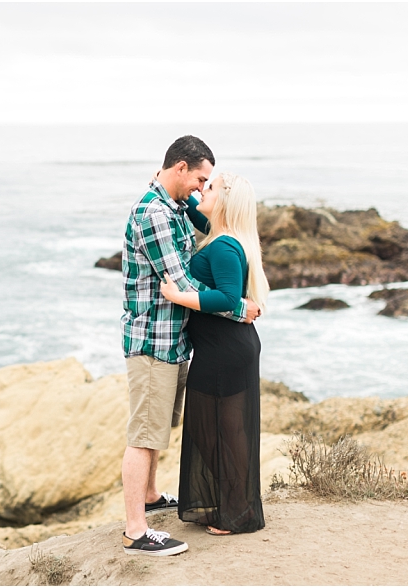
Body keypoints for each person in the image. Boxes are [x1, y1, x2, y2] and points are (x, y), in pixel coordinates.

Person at [120, 136, 260, 556]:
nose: (202, 188)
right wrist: (240, 307)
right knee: (144, 435)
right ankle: (136, 531)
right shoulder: (154, 214)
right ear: (180, 168)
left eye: (209, 184)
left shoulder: (174, 207)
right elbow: (178, 285)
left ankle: (149, 495)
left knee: (158, 428)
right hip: (153, 342)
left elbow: (210, 228)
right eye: (200, 179)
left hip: (175, 342)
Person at [161, 172, 269, 536]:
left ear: (223, 201)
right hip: (221, 350)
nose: (201, 190)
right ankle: (229, 505)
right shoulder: (219, 233)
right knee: (210, 431)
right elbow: (196, 211)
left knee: (226, 433)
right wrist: (168, 186)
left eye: (209, 187)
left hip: (225, 352)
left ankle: (237, 513)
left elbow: (226, 297)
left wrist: (178, 297)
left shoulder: (224, 246)